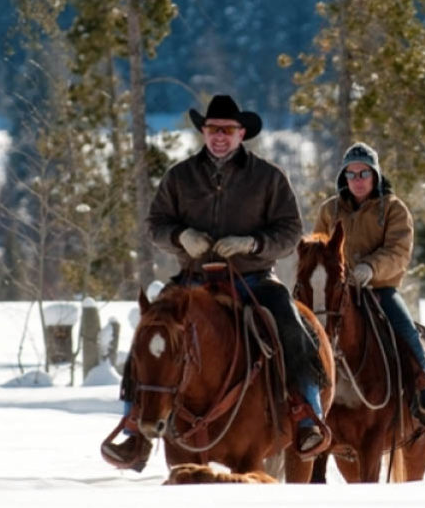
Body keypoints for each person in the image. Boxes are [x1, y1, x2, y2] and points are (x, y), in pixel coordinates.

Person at [101, 94, 328, 470]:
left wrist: (253, 243)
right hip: (192, 281)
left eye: (227, 130)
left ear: (242, 134)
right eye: (212, 129)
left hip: (253, 279)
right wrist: (180, 237)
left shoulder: (268, 177)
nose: (219, 136)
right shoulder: (180, 176)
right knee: (150, 332)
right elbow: (155, 225)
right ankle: (135, 430)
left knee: (292, 327)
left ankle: (306, 418)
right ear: (203, 132)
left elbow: (290, 233)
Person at [313, 142, 425, 416]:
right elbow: (318, 247)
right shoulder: (330, 210)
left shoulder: (393, 209)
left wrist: (370, 269)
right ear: (343, 177)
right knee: (309, 328)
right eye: (351, 174)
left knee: (403, 326)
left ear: (375, 175)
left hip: (379, 288)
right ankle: (299, 392)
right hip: (338, 291)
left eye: (363, 173)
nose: (358, 180)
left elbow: (398, 252)